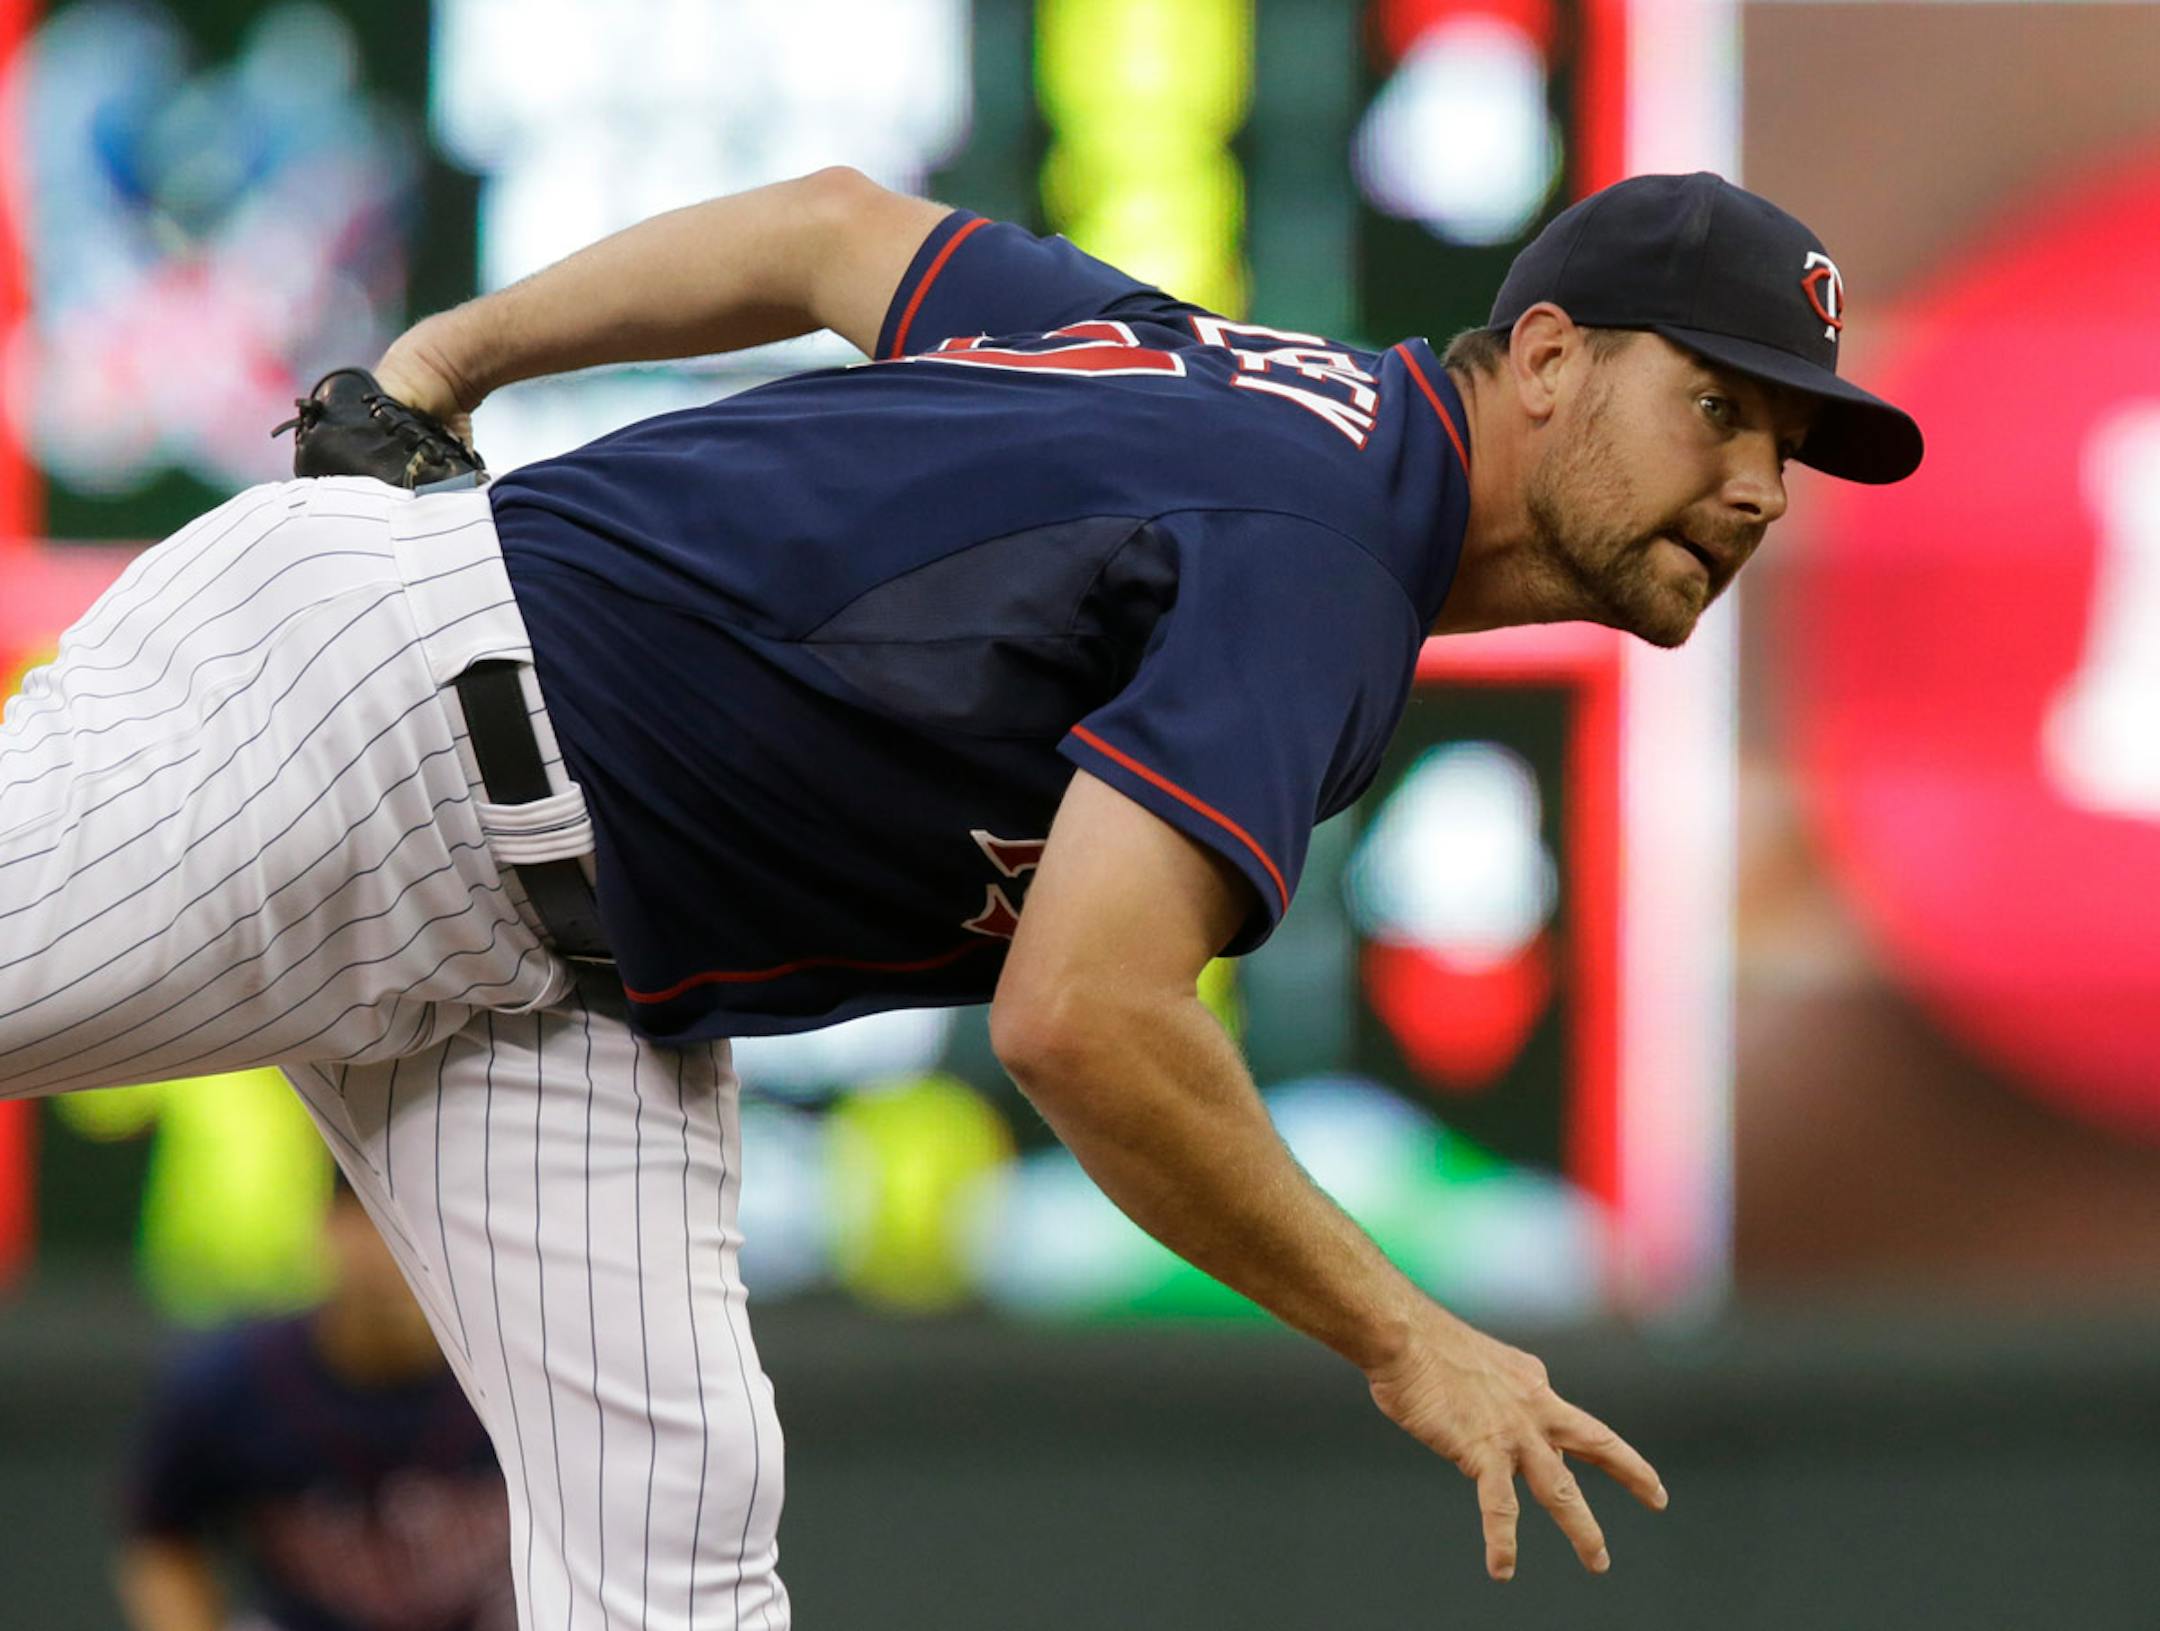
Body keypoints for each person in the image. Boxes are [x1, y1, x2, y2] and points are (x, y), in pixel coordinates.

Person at [0, 167, 1922, 1626]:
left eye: (1795, 448)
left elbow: (837, 233)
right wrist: (1406, 1331)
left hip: (571, 966)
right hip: (383, 721)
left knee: (677, 1554)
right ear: (1560, 357)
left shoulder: (1229, 381)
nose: (1759, 486)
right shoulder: (1329, 546)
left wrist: (446, 360)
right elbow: (1087, 1015)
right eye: (1722, 410)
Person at [115, 1175, 515, 1631]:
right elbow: (159, 1533)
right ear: (329, 1228)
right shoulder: (235, 1381)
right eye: (378, 1223)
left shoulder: (524, 1372)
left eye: (429, 1228)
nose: (402, 1255)